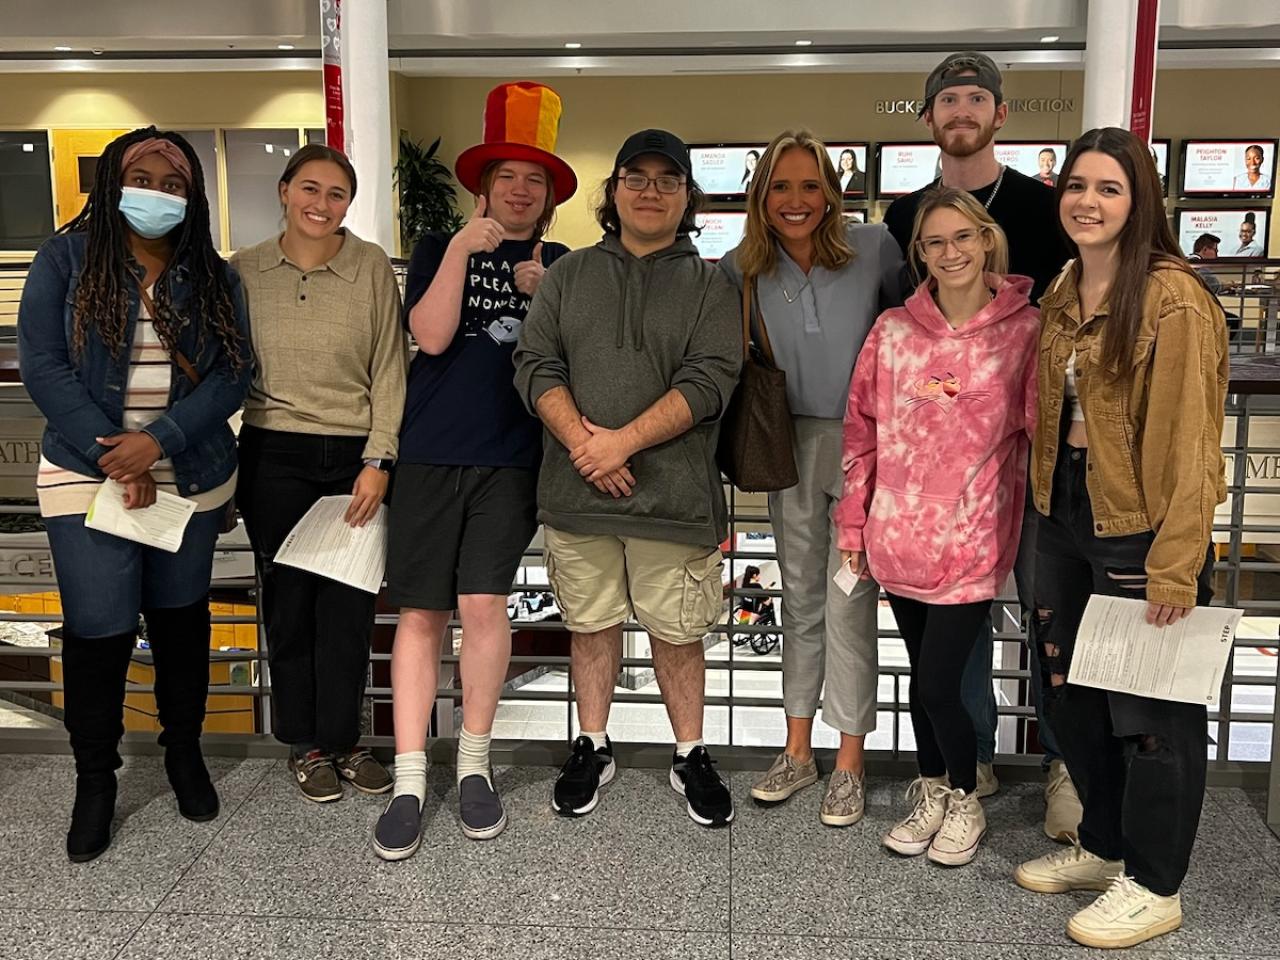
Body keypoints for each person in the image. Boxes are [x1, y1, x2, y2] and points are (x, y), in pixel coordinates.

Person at [1013, 127, 1228, 949]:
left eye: (1109, 187)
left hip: (1141, 523)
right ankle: (1104, 846)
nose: (1087, 202)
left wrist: (1176, 566)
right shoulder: (1066, 287)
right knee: (1072, 692)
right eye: (1076, 185)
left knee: (1151, 708)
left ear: (1141, 201)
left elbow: (1188, 444)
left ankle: (1155, 883)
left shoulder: (1174, 297)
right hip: (1062, 509)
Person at [18, 127, 251, 861]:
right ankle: (96, 780)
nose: (158, 190)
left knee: (182, 621)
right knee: (99, 628)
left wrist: (160, 442)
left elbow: (233, 374)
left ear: (194, 197)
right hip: (85, 474)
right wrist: (118, 454)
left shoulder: (214, 274)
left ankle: (184, 754)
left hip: (189, 472)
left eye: (175, 182)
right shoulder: (66, 259)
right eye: (143, 176)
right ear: (114, 181)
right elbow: (43, 367)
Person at [514, 129, 741, 826]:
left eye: (666, 180)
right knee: (590, 627)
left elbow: (711, 380)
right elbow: (534, 363)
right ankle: (593, 743)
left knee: (679, 632)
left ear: (687, 196)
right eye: (635, 178)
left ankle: (691, 752)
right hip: (577, 496)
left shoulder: (711, 284)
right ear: (613, 191)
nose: (650, 191)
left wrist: (623, 444)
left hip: (673, 499)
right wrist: (587, 444)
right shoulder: (572, 275)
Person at [373, 82, 576, 858]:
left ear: (551, 199)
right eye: (508, 177)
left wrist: (549, 293)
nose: (520, 190)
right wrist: (461, 248)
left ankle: (474, 769)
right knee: (420, 615)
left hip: (512, 460)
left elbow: (578, 362)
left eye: (536, 180)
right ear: (484, 186)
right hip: (428, 454)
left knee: (485, 608)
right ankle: (409, 777)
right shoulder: (435, 248)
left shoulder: (562, 264)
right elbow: (428, 337)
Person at [883, 51, 1079, 838]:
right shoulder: (904, 218)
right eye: (947, 99)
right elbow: (902, 340)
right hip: (942, 481)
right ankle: (974, 760)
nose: (961, 109)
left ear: (1000, 113)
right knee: (952, 628)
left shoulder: (1047, 207)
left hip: (1031, 462)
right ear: (928, 118)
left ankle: (1066, 761)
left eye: (976, 97)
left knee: (1048, 610)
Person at [836, 187, 1037, 866]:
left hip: (974, 541)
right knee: (924, 674)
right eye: (934, 242)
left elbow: (1038, 434)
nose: (950, 253)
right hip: (898, 539)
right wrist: (853, 526)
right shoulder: (893, 331)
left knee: (937, 684)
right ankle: (932, 791)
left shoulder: (1023, 333)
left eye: (962, 237)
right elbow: (860, 433)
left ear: (987, 240)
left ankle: (963, 795)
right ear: (918, 252)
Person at [719, 130, 902, 827]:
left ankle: (850, 760)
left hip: (864, 448)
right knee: (798, 599)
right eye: (780, 187)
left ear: (832, 189)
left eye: (808, 185)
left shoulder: (876, 250)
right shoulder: (740, 267)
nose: (795, 201)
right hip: (783, 445)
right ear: (760, 196)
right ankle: (798, 750)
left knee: (850, 602)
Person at [232, 144, 408, 804]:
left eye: (337, 195)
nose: (321, 204)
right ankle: (303, 745)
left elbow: (391, 369)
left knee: (349, 607)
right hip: (274, 455)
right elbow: (226, 370)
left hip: (354, 459)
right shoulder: (245, 270)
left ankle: (345, 740)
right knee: (289, 606)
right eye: (310, 188)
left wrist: (378, 460)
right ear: (283, 190)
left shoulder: (369, 268)